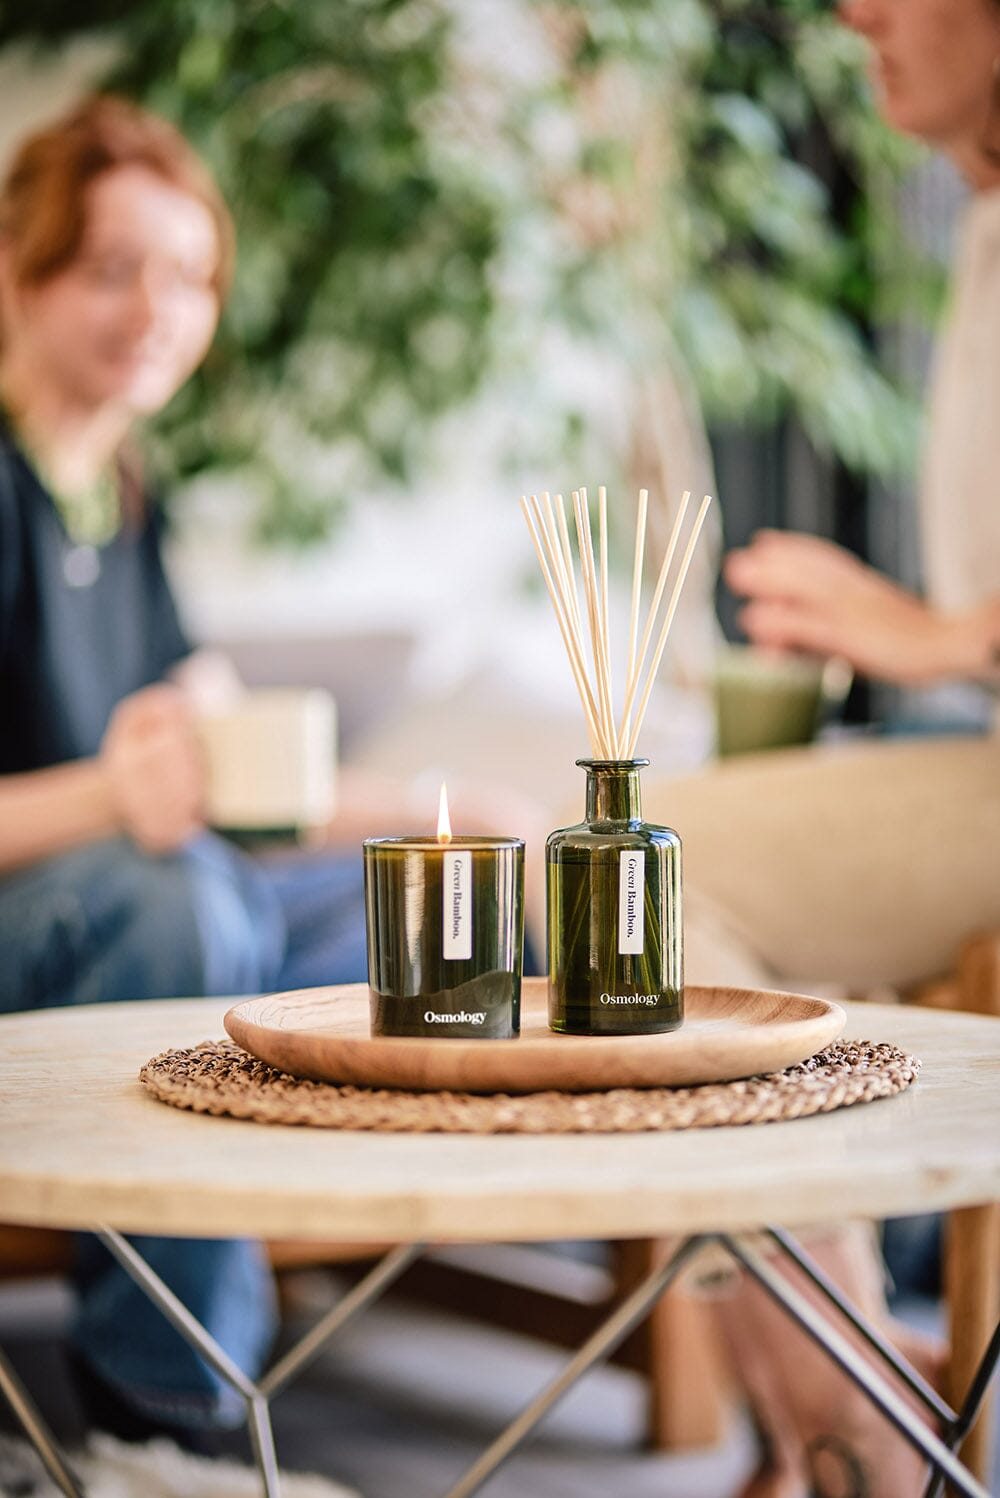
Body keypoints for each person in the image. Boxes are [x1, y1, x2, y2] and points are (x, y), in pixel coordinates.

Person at [0, 93, 543, 1448]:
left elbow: (227, 766)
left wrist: (445, 818)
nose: (160, 310)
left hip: (152, 889)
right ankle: (165, 1405)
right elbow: (142, 808)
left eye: (188, 277)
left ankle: (394, 1263)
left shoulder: (123, 492)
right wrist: (111, 803)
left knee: (415, 898)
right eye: (115, 268)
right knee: (180, 900)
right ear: (19, 269)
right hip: (77, 915)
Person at [642, 2, 1000, 1494]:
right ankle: (841, 1413)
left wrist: (947, 637)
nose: (858, 9)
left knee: (643, 884)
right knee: (638, 882)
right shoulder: (985, 225)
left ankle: (849, 1437)